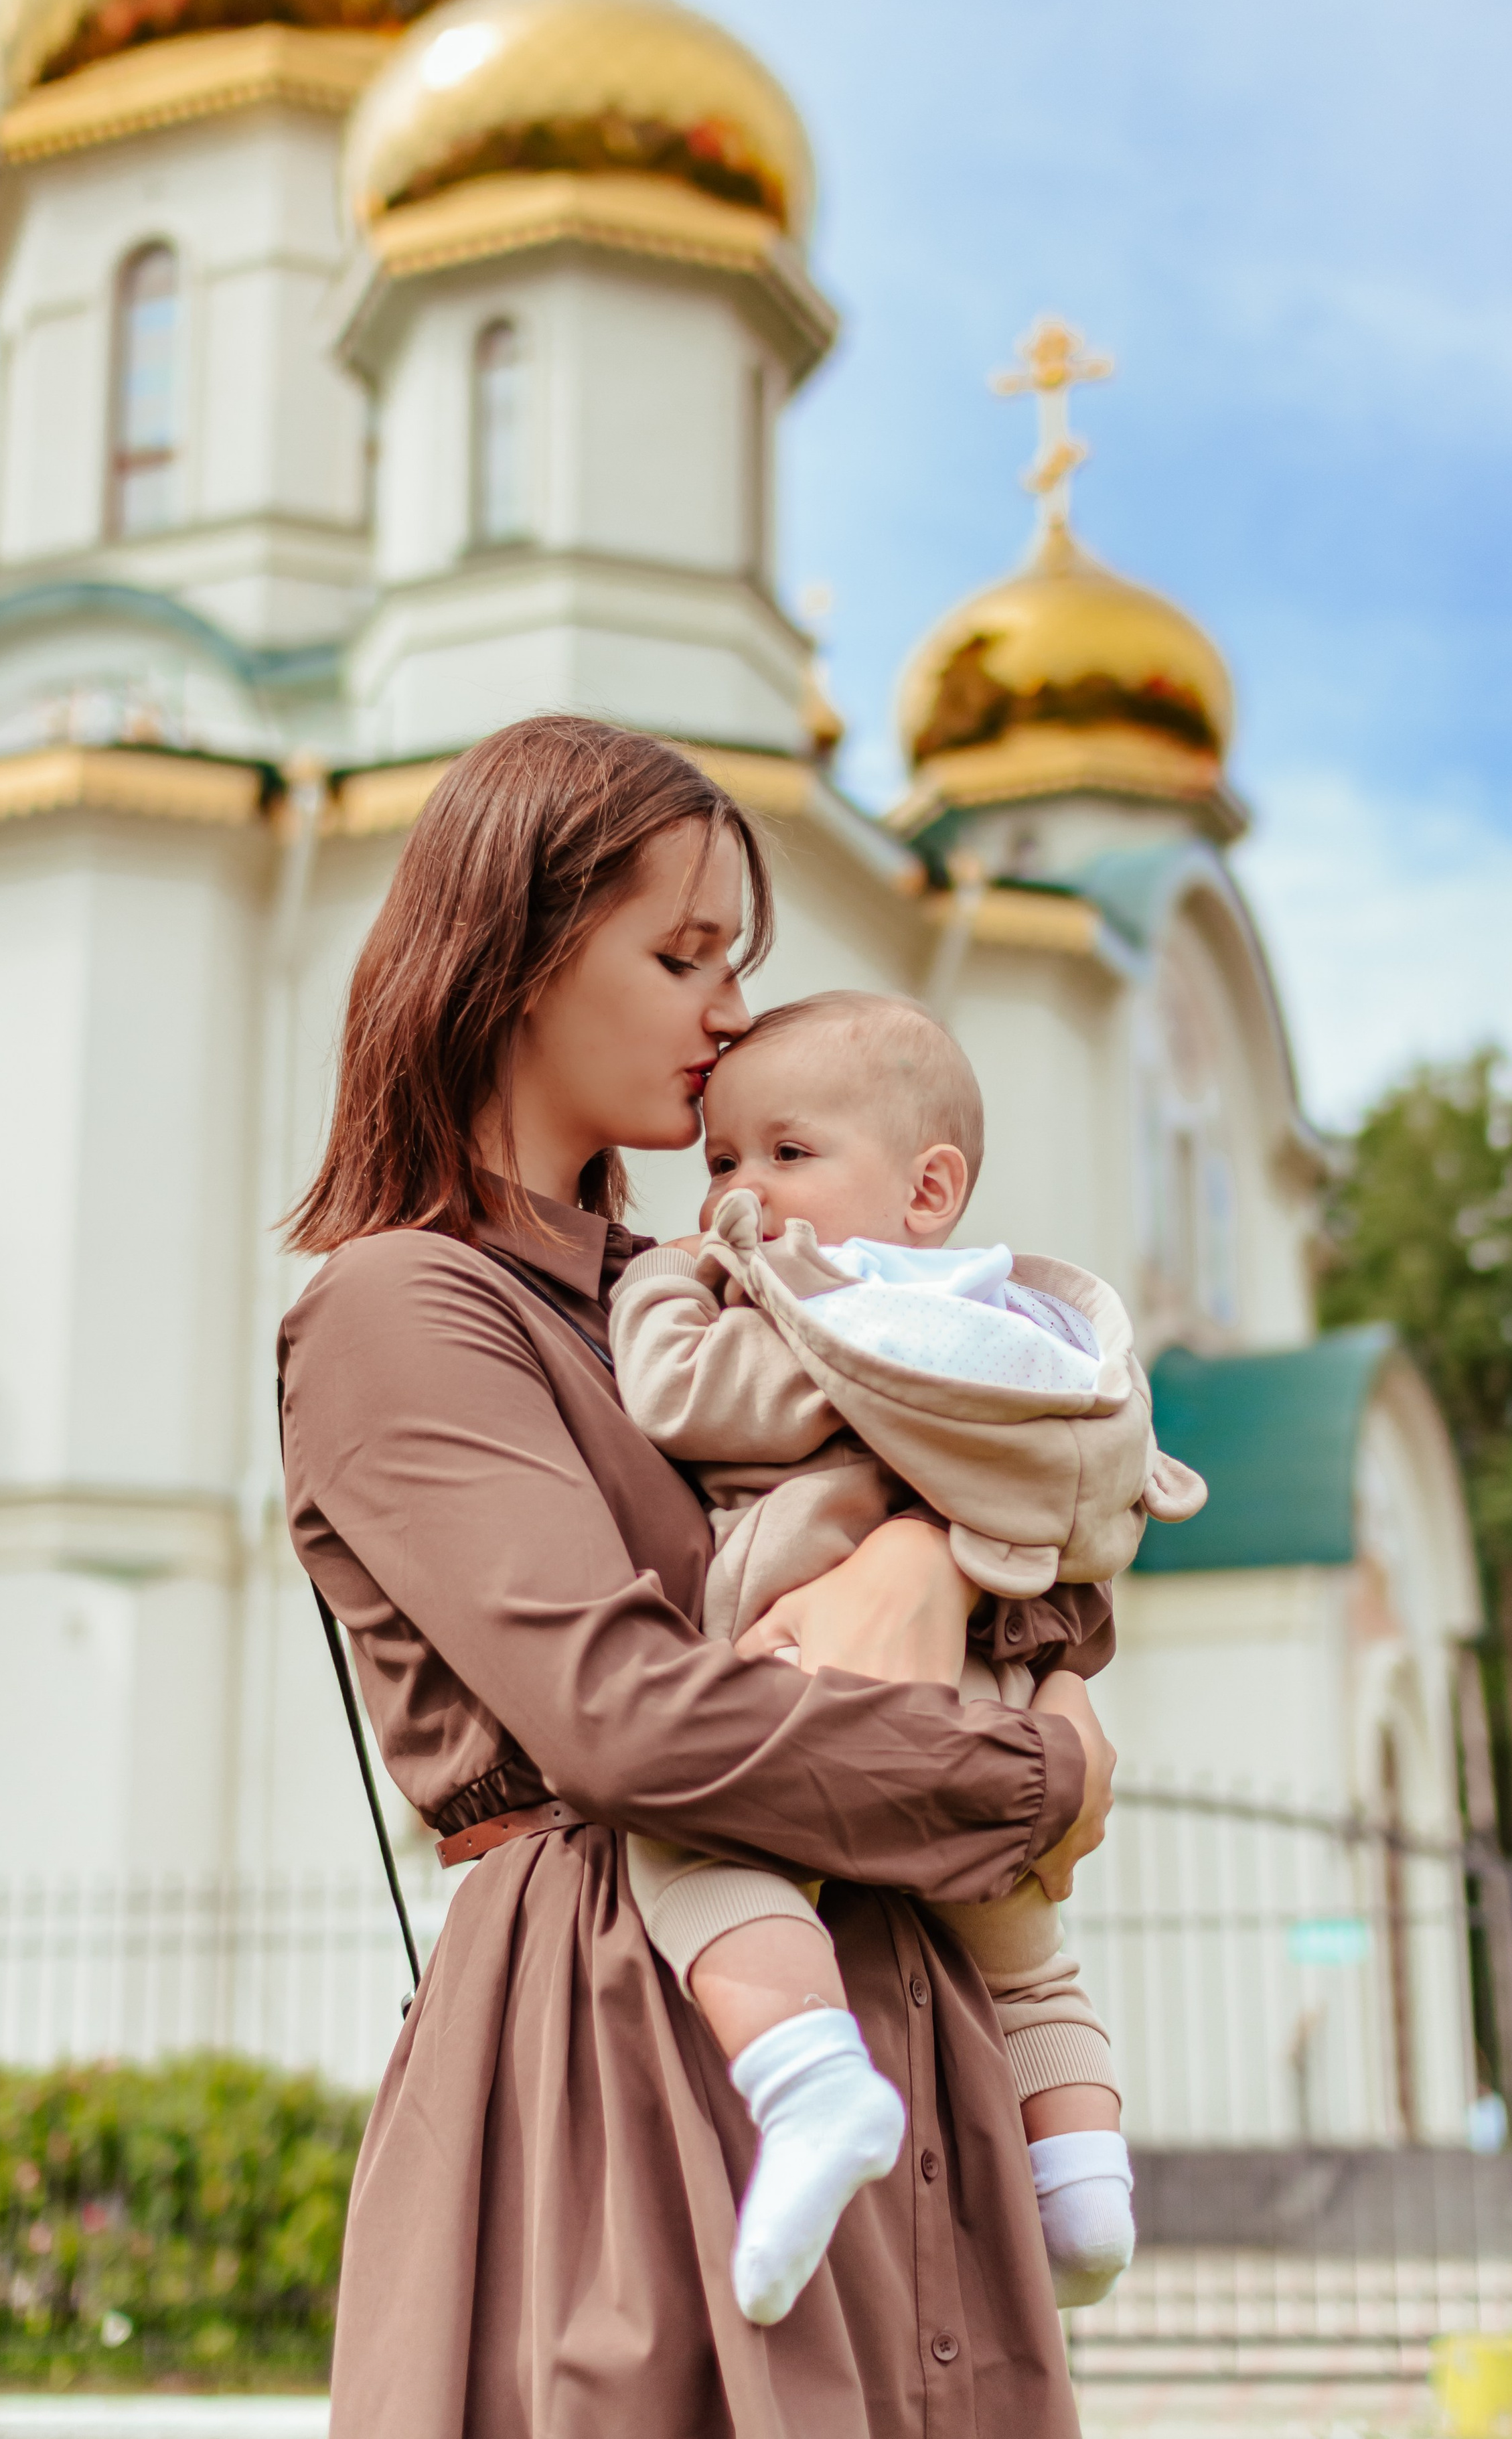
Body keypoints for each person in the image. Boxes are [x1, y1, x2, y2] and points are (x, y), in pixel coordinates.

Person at [279, 715, 1116, 2439]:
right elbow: (620, 1725)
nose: (729, 1012)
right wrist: (1035, 1770)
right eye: (678, 956)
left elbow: (1050, 1538)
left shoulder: (727, 1289)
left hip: (903, 2021)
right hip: (626, 2034)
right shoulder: (405, 1309)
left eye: (735, 961)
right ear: (507, 961)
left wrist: (922, 1564)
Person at [610, 990, 1206, 2327]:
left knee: (698, 1854)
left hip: (818, 1679)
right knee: (1029, 1958)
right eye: (717, 1163)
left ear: (927, 1187)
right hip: (988, 1683)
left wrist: (665, 1280)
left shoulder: (842, 1319)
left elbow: (680, 1397)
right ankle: (1085, 2182)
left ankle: (810, 2082)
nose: (739, 1196)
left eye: (784, 1155)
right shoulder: (1034, 1343)